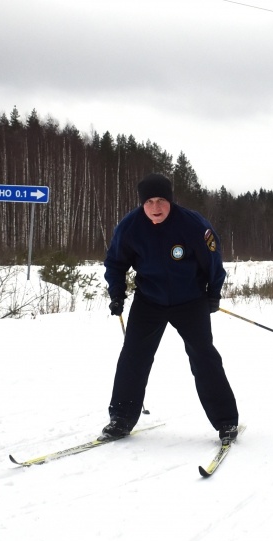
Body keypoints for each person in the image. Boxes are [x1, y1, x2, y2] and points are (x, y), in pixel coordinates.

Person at [102, 173, 239, 443]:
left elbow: (212, 259)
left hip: (190, 301)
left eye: (162, 200)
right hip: (149, 301)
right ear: (142, 204)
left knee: (203, 357)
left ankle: (226, 422)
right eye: (150, 201)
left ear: (171, 201)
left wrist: (213, 292)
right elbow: (115, 262)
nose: (156, 207)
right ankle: (121, 419)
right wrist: (117, 293)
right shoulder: (130, 226)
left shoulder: (191, 224)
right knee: (133, 357)